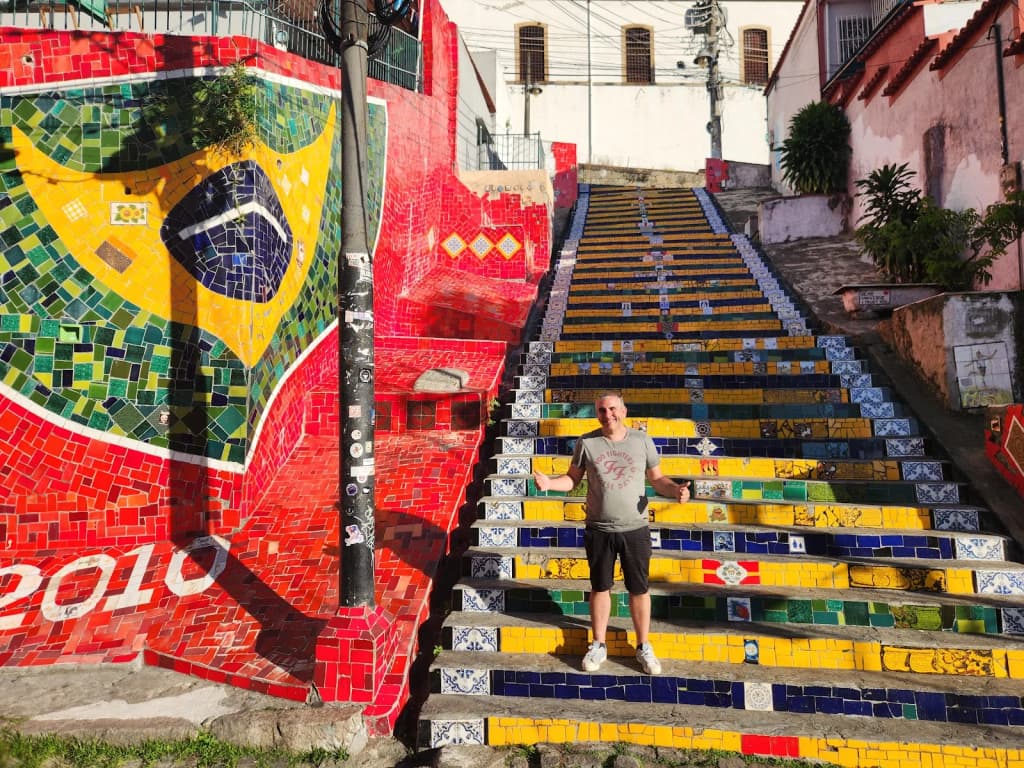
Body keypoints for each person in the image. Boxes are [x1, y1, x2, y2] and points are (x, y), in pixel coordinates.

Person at [532, 393, 691, 675]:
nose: (608, 414)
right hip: (599, 529)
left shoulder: (642, 441)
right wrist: (549, 483)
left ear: (624, 411)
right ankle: (599, 644)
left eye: (613, 409)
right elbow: (572, 480)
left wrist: (676, 490)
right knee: (600, 587)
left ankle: (643, 645)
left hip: (635, 529)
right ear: (597, 414)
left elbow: (657, 479)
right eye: (602, 410)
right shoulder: (587, 442)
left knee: (639, 589)